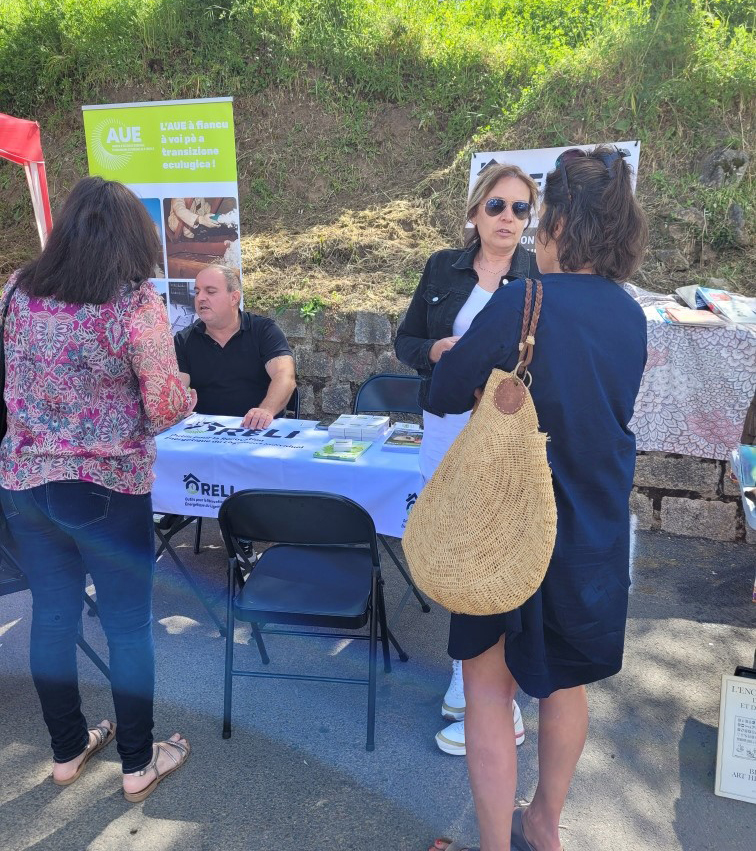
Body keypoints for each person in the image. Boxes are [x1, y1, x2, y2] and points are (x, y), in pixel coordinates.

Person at [426, 145, 649, 851]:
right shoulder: (630, 315)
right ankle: (544, 824)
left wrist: (452, 358)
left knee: (487, 689)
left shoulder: (524, 300)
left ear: (554, 223)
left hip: (507, 523)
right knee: (566, 686)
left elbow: (442, 389)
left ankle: (496, 845)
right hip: (592, 530)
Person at [0, 176, 196, 801]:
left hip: (26, 481)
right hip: (107, 487)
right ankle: (137, 763)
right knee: (129, 627)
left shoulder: (16, 292)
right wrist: (186, 390)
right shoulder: (133, 303)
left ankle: (65, 752)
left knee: (52, 618)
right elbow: (165, 406)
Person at [395, 163, 539, 756]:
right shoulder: (441, 268)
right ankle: (465, 678)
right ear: (476, 212)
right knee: (453, 546)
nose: (509, 219)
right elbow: (404, 340)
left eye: (521, 209)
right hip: (445, 425)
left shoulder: (536, 277)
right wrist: (435, 349)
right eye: (498, 206)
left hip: (502, 434)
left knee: (494, 551)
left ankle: (497, 701)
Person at [174, 264, 296, 429]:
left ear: (234, 297)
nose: (200, 298)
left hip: (259, 431)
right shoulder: (184, 339)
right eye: (197, 292)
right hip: (206, 435)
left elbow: (285, 376)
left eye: (210, 291)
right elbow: (176, 386)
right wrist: (177, 404)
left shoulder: (264, 330)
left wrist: (265, 410)